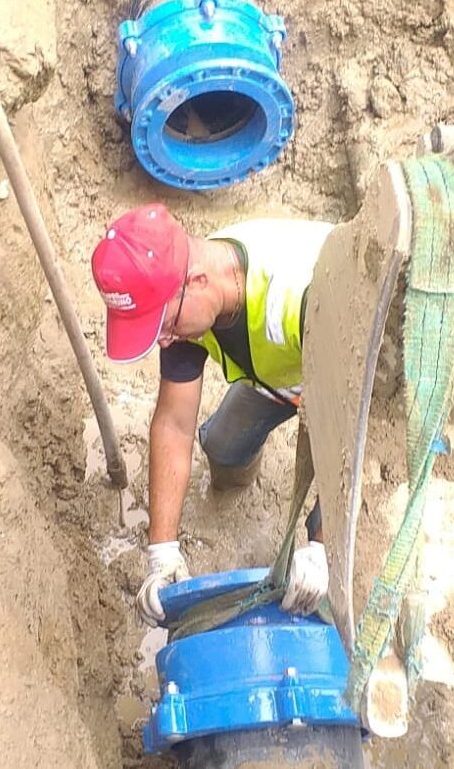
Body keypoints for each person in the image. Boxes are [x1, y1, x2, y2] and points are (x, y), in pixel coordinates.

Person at [90, 203, 332, 627]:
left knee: (328, 530)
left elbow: (363, 424)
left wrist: (322, 546)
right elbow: (174, 425)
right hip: (280, 383)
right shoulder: (187, 297)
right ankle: (239, 476)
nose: (163, 341)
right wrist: (161, 552)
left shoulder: (300, 292)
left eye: (164, 324)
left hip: (345, 379)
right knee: (221, 446)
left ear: (197, 281)